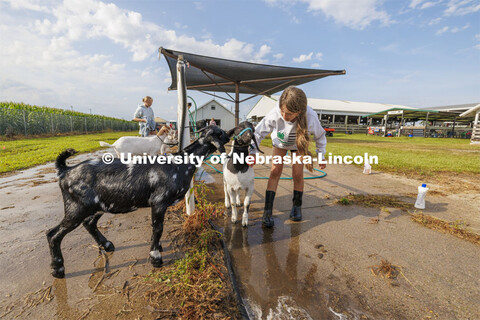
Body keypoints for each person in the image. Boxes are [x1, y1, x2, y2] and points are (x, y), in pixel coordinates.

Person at [252, 86, 327, 228]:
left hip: (297, 145)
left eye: (290, 114)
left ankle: (296, 208)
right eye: (283, 112)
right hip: (280, 144)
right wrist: (253, 152)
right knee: (275, 171)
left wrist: (321, 155)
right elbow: (258, 133)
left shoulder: (310, 116)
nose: (285, 117)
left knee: (298, 174)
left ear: (299, 112)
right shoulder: (275, 113)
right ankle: (267, 211)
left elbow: (320, 136)